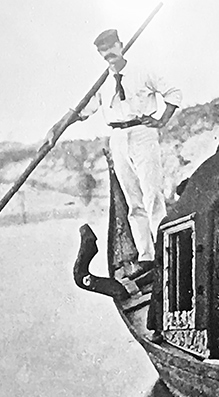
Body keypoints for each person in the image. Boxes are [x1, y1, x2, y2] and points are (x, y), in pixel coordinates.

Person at [48, 28, 182, 275]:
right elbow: (82, 110)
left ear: (121, 46)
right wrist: (57, 127)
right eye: (103, 49)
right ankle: (147, 256)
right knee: (134, 201)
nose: (108, 52)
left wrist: (162, 120)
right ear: (100, 54)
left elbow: (174, 93)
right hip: (118, 138)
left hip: (143, 133)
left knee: (152, 195)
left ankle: (166, 251)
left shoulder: (142, 71)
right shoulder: (102, 83)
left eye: (111, 46)